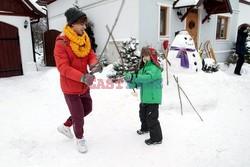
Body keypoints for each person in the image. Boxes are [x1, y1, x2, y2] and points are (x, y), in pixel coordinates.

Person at [54, 7, 102, 153]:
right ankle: (80, 139)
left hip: (84, 85)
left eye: (84, 23)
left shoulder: (84, 38)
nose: (84, 26)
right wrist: (82, 77)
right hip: (70, 86)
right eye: (81, 24)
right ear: (72, 24)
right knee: (79, 117)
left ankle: (66, 125)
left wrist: (94, 64)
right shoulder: (61, 43)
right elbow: (63, 67)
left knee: (87, 108)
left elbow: (90, 54)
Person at [124, 47, 163, 145]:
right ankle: (145, 129)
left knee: (152, 118)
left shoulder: (155, 68)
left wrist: (134, 76)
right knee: (143, 115)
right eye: (143, 56)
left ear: (152, 56)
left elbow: (147, 78)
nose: (144, 58)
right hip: (145, 98)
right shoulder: (144, 68)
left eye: (147, 55)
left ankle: (157, 138)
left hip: (153, 99)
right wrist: (130, 80)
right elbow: (140, 82)